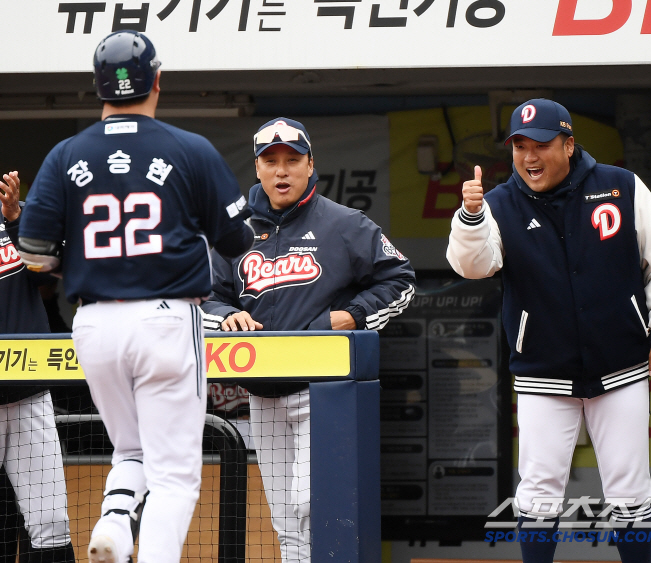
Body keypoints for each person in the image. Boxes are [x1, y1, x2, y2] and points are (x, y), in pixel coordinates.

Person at [17, 30, 254, 563]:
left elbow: (33, 252)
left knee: (130, 450)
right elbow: (238, 240)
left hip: (95, 324)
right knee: (174, 475)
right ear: (158, 79)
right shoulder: (188, 148)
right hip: (167, 318)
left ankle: (116, 519)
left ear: (97, 86)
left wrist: (69, 256)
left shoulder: (65, 154)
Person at [446, 98, 651, 563]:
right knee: (538, 490)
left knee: (631, 488)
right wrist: (471, 218)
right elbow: (473, 266)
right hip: (545, 371)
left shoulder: (620, 186)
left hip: (620, 365)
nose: (529, 157)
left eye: (540, 144)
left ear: (569, 144)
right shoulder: (498, 203)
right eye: (519, 146)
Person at [201, 117, 416, 563]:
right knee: (285, 517)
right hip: (261, 393)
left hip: (323, 391)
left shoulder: (343, 223)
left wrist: (353, 315)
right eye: (271, 161)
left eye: (292, 160)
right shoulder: (234, 231)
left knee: (308, 504)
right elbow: (204, 297)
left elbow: (401, 279)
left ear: (310, 164)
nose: (282, 171)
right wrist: (228, 315)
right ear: (257, 168)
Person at [0, 171, 75, 562]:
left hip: (29, 390)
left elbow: (53, 271)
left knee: (50, 523)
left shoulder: (22, 218)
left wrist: (14, 221)